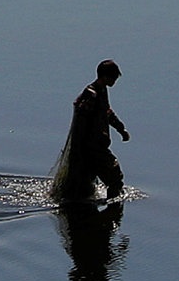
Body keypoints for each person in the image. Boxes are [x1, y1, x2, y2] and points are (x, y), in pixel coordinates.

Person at [49, 59, 126, 207]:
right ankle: (113, 210)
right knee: (115, 177)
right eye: (114, 78)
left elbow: (107, 112)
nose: (115, 81)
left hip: (95, 145)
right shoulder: (91, 95)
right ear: (104, 77)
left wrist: (120, 129)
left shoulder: (102, 91)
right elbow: (80, 122)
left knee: (85, 185)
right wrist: (78, 148)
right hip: (92, 147)